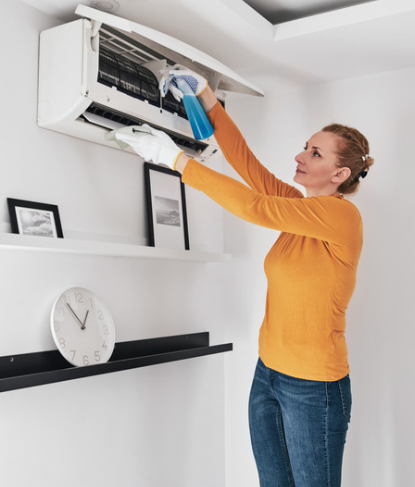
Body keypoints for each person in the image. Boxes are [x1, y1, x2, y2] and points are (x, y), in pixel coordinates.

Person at [113, 67, 374, 487]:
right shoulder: (300, 210)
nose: (300, 157)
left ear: (341, 175)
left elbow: (254, 206)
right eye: (304, 148)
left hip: (314, 387)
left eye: (315, 154)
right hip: (268, 372)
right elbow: (249, 167)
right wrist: (207, 97)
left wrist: (176, 161)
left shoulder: (341, 216)